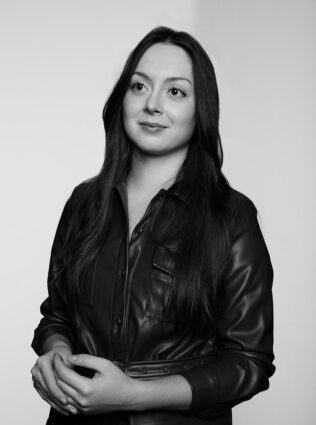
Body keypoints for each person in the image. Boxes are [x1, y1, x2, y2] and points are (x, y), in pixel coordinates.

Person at [30, 26, 276, 425]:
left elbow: (249, 363)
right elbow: (58, 315)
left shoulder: (231, 216)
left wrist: (133, 395)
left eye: (176, 91)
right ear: (122, 99)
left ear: (202, 110)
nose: (153, 105)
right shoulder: (83, 203)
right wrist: (54, 355)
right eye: (139, 87)